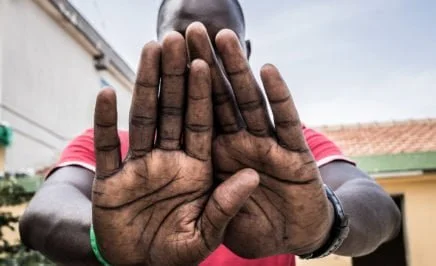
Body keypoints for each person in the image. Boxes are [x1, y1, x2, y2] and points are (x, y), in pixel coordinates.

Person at [19, 0, 401, 265]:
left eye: (221, 42)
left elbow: (378, 208)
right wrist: (108, 241)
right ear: (158, 50)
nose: (201, 58)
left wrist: (325, 225)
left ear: (245, 51)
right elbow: (42, 215)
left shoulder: (286, 151)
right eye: (183, 41)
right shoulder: (114, 152)